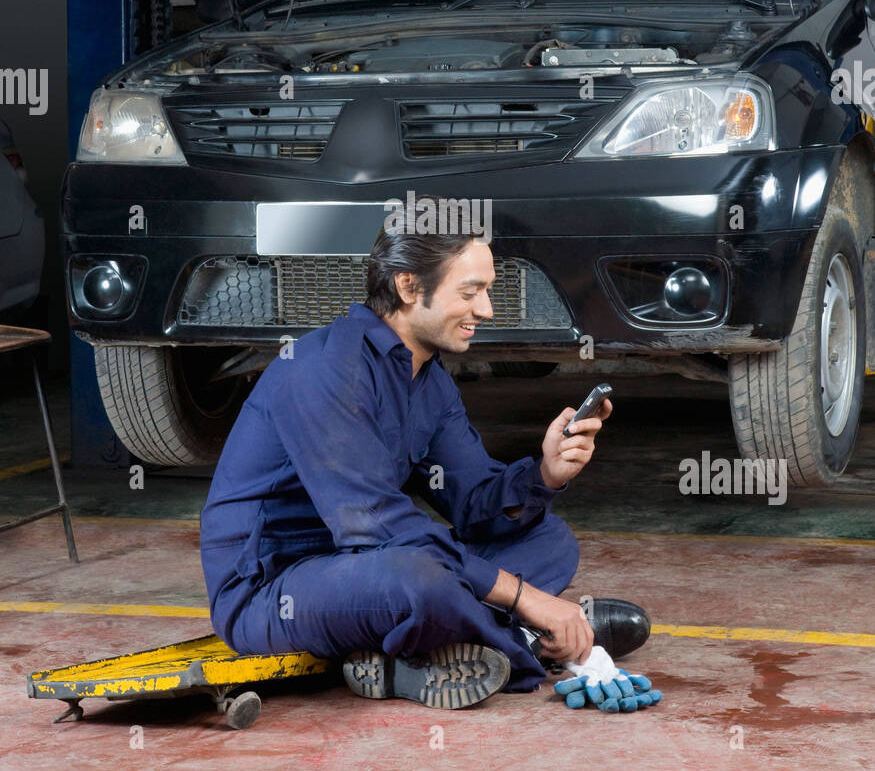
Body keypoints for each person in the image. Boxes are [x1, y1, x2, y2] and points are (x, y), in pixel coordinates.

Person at [200, 213, 649, 708]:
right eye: (470, 291)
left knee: (548, 540)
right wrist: (528, 600)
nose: (488, 309)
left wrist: (544, 473)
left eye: (488, 291)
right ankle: (529, 642)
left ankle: (424, 653)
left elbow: (475, 505)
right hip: (273, 590)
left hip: (367, 564)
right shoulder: (326, 370)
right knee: (416, 578)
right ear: (410, 286)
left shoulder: (429, 379)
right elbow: (374, 525)